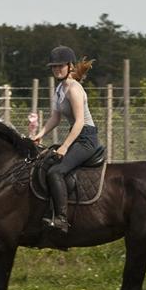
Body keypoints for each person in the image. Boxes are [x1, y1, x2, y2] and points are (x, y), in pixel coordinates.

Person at [30, 45, 100, 232]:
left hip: (86, 139)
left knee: (56, 172)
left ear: (70, 66)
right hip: (77, 137)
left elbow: (78, 123)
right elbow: (55, 117)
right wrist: (39, 135)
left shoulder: (74, 89)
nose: (56, 70)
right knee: (43, 163)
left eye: (60, 66)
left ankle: (61, 218)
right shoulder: (60, 88)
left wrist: (65, 147)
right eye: (53, 67)